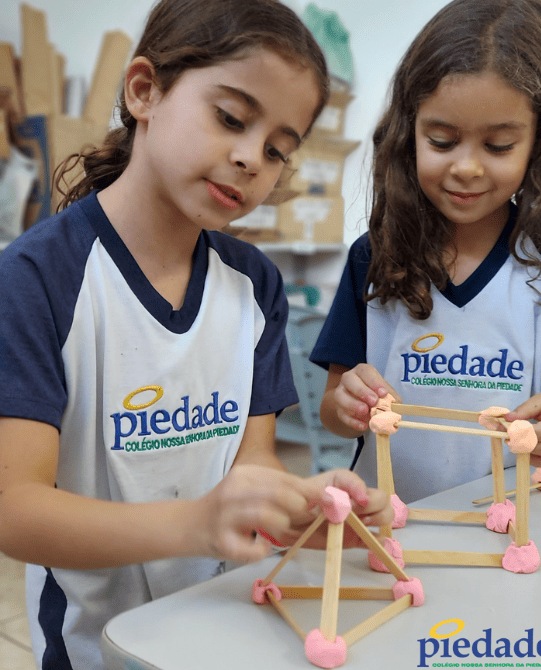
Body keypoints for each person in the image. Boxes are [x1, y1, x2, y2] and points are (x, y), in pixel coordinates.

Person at [0, 1, 392, 668]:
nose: (250, 158)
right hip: (96, 648)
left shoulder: (254, 285)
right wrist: (197, 523)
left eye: (277, 149)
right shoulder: (36, 279)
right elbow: (15, 511)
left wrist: (300, 507)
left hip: (220, 629)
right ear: (144, 91)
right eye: (231, 118)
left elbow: (253, 461)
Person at [311, 0, 541, 505]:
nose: (467, 168)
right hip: (388, 521)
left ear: (539, 143)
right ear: (409, 133)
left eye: (499, 146)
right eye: (442, 141)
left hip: (514, 521)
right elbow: (332, 409)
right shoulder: (373, 258)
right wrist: (345, 404)